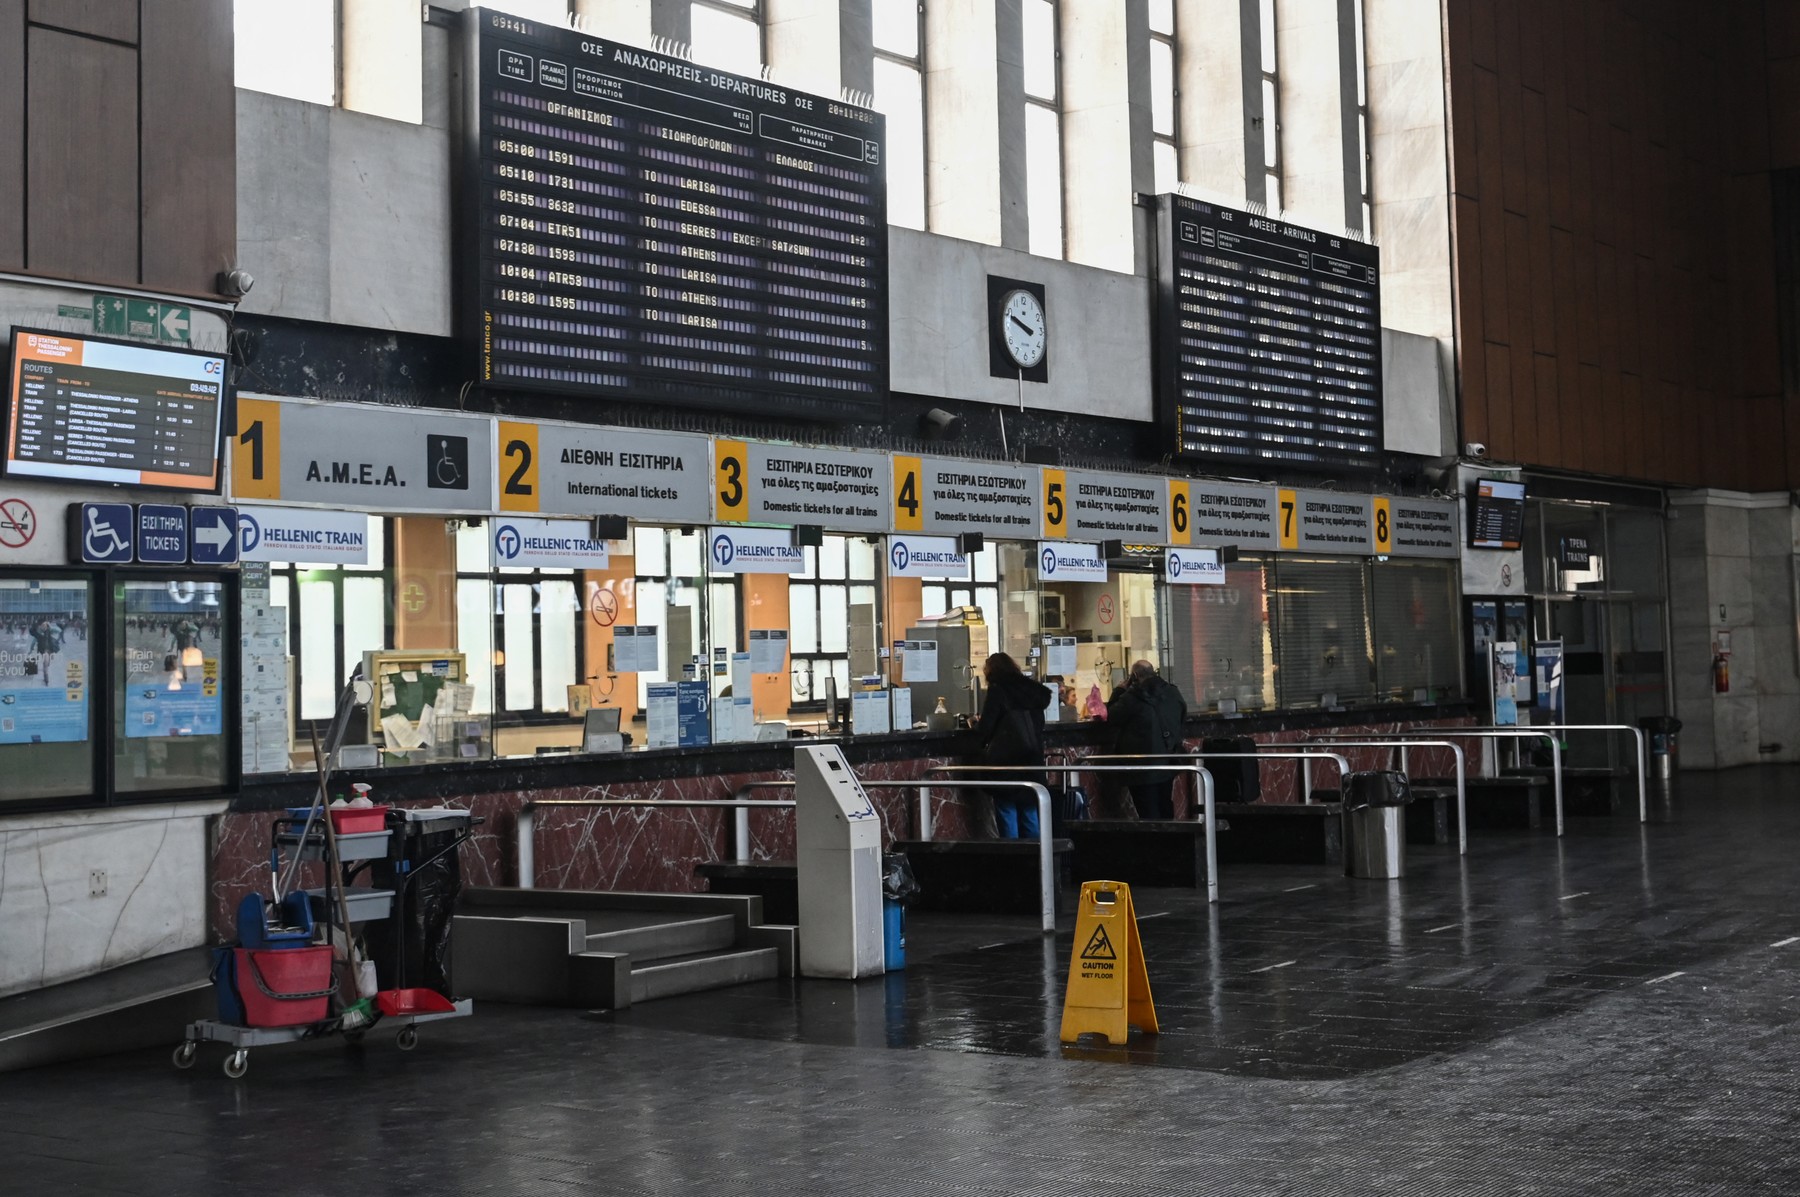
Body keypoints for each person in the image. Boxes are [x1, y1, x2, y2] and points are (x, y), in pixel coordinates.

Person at [970, 652, 1051, 839]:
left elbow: (986, 727)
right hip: (1032, 760)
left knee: (1007, 811)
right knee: (1030, 811)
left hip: (1006, 762)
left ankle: (1013, 859)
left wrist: (974, 724)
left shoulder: (998, 690)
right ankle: (1036, 859)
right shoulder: (1033, 692)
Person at [1106, 660, 1188, 820]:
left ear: (1134, 676)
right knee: (1164, 805)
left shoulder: (1131, 697)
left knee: (1148, 813)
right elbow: (1182, 715)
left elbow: (1112, 717)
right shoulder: (1173, 692)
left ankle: (1154, 843)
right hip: (1166, 760)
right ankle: (1172, 841)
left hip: (1141, 766)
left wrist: (1118, 690)